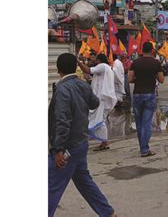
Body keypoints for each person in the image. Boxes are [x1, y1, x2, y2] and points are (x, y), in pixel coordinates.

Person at [49, 53, 117, 217]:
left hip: (69, 145)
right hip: (81, 142)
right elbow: (94, 102)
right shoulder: (82, 85)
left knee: (51, 185)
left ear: (58, 69)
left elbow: (62, 120)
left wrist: (58, 149)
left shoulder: (63, 89)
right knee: (84, 181)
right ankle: (107, 212)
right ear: (75, 67)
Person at [128, 42, 164, 157]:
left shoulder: (135, 62)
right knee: (146, 123)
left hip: (137, 93)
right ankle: (144, 149)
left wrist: (138, 79)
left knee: (139, 123)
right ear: (152, 50)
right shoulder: (156, 62)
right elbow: (162, 79)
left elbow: (129, 79)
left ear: (142, 50)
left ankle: (142, 147)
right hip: (149, 93)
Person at [78, 53, 117, 151]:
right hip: (103, 98)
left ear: (99, 60)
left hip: (102, 98)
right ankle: (104, 142)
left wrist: (78, 62)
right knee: (101, 119)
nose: (93, 60)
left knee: (100, 120)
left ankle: (104, 142)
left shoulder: (102, 66)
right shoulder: (107, 68)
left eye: (94, 58)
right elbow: (98, 80)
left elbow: (88, 70)